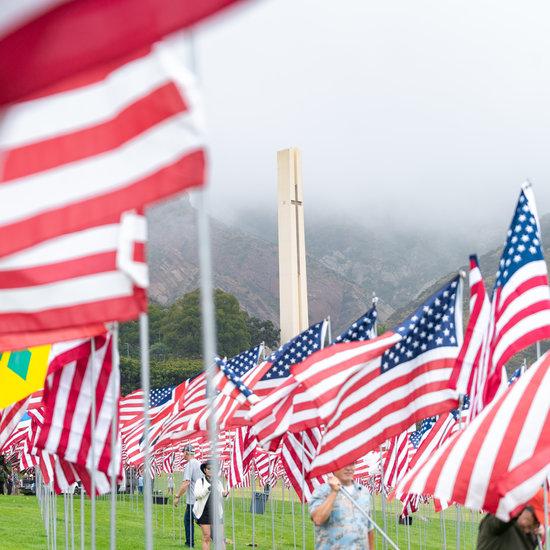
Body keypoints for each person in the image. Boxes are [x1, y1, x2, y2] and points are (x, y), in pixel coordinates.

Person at [309, 462, 375, 549]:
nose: (349, 468)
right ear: (334, 467)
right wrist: (334, 492)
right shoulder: (322, 491)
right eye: (344, 464)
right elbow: (318, 519)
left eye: (352, 464)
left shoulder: (363, 492)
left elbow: (368, 529)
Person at [476, 490, 547, 550]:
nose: (536, 525)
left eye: (539, 523)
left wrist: (535, 539)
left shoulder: (529, 533)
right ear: (523, 507)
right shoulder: (499, 521)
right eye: (536, 519)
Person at [193, 461, 228, 550]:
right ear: (205, 470)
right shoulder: (200, 481)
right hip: (204, 512)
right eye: (209, 468)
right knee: (206, 536)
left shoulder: (218, 482)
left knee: (220, 538)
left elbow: (221, 495)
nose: (211, 470)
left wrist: (225, 494)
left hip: (217, 512)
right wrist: (208, 489)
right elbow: (197, 494)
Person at [174, 445, 202, 547]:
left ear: (186, 452)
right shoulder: (198, 463)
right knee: (197, 521)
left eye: (183, 452)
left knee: (192, 521)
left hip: (193, 500)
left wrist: (177, 496)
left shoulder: (190, 464)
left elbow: (186, 483)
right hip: (200, 498)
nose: (182, 454)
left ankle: (189, 543)